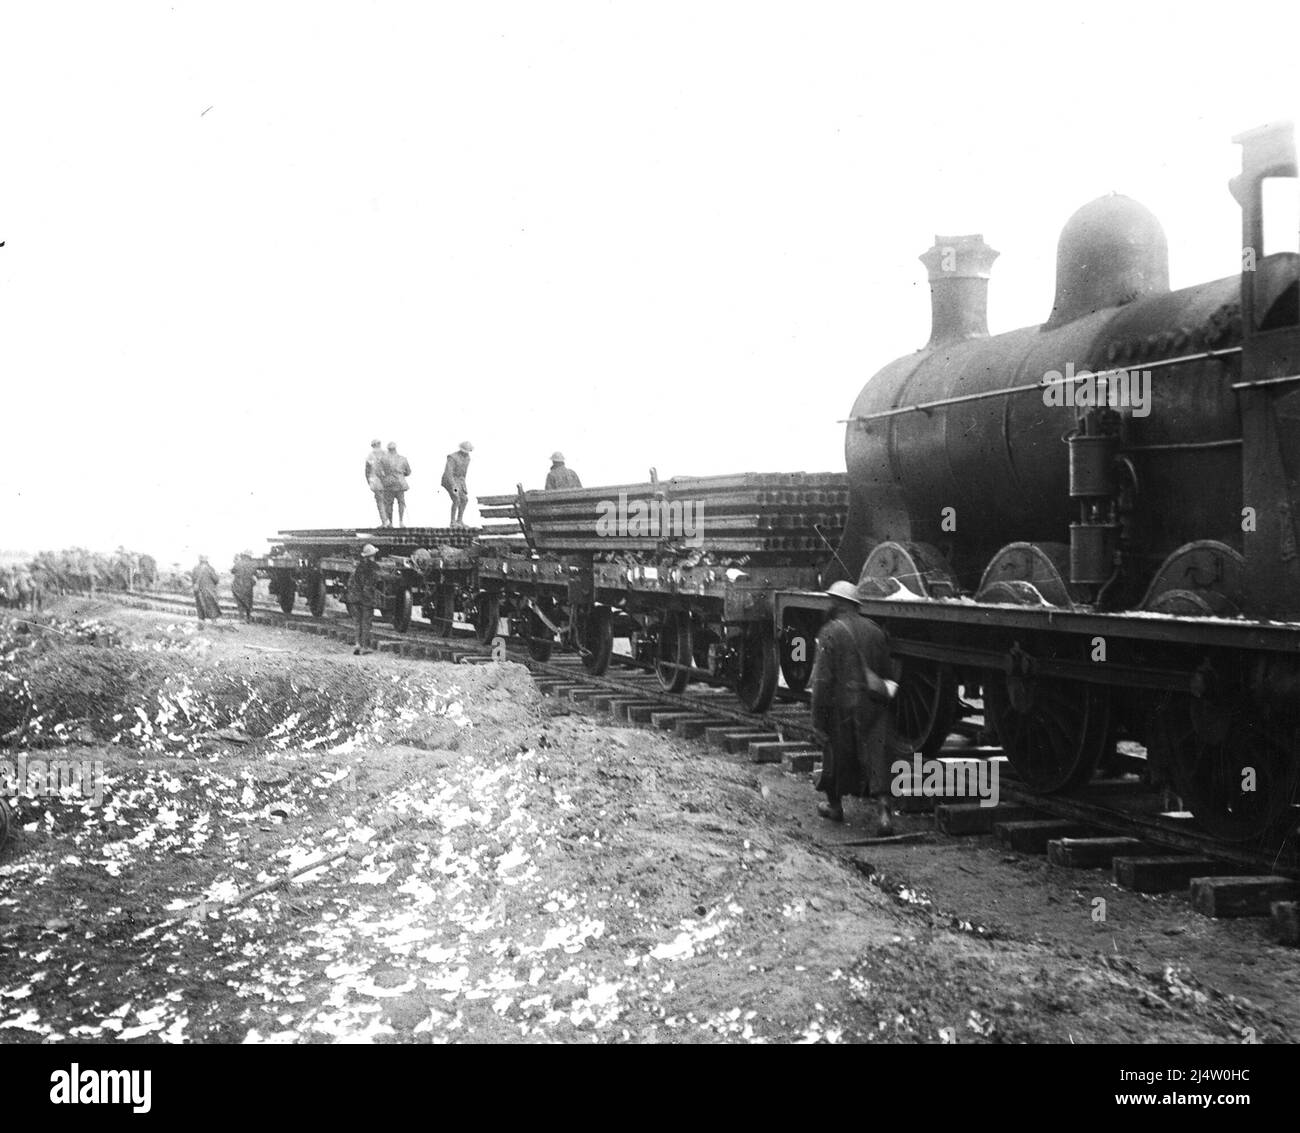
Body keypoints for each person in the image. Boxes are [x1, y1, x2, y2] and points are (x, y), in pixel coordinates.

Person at [809, 580, 899, 834]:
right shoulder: (875, 630)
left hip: (843, 705)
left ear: (838, 604)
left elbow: (822, 681)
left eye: (832, 601)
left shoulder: (829, 632)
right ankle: (884, 814)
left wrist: (818, 721)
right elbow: (887, 674)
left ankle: (835, 806)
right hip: (874, 703)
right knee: (878, 756)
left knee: (834, 753)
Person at [347, 543, 380, 654]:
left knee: (357, 622)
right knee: (366, 622)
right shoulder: (373, 568)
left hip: (354, 599)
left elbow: (352, 582)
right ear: (373, 555)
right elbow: (370, 585)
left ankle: (357, 644)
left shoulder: (358, 567)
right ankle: (365, 647)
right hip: (365, 599)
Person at [380, 441, 412, 527]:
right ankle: (401, 522)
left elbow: (380, 472)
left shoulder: (383, 459)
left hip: (389, 484)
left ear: (388, 449)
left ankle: (390, 522)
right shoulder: (403, 459)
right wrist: (401, 474)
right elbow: (408, 472)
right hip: (400, 483)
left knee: (389, 504)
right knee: (401, 503)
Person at [441, 441, 473, 527]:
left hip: (459, 481)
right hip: (449, 480)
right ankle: (452, 522)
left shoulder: (467, 458)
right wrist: (454, 488)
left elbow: (463, 475)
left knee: (465, 499)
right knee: (456, 498)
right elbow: (449, 473)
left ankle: (459, 520)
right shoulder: (452, 457)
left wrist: (463, 487)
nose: (466, 454)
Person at [192, 555, 222, 621]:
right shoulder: (210, 568)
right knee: (211, 606)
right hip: (209, 591)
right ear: (207, 560)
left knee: (200, 606)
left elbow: (193, 580)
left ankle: (201, 621)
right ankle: (213, 621)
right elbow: (216, 580)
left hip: (198, 591)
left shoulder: (195, 568)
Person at [230, 553, 258, 622]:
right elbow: (255, 573)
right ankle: (248, 617)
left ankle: (241, 618)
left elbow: (232, 571)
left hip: (238, 586)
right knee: (248, 601)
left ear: (243, 556)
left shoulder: (238, 563)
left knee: (240, 603)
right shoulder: (253, 564)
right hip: (248, 586)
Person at [365, 439, 387, 526]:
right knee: (387, 501)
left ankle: (385, 521)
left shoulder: (370, 456)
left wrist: (369, 481)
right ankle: (388, 522)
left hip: (376, 482)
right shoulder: (386, 454)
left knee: (380, 502)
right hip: (386, 481)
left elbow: (367, 470)